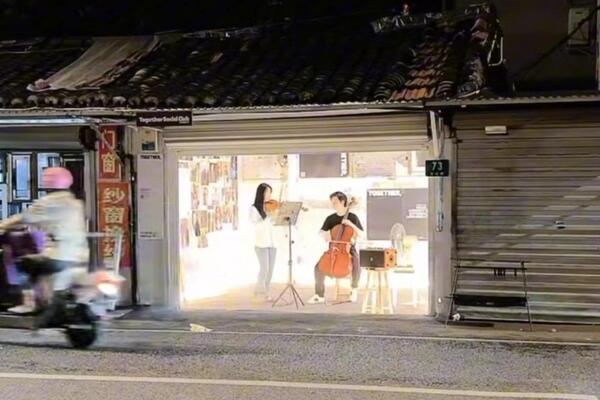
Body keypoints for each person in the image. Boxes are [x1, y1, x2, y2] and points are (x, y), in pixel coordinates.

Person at [0, 167, 89, 316]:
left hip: (59, 256)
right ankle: (49, 302)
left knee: (24, 264)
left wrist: (2, 225)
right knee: (41, 267)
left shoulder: (48, 202)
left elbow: (24, 218)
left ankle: (31, 303)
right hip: (79, 255)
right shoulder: (75, 202)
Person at [308, 191, 363, 304]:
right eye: (332, 203)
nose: (333, 205)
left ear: (343, 202)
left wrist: (350, 224)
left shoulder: (353, 217)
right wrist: (325, 234)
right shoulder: (330, 219)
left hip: (348, 248)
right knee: (317, 268)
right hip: (333, 249)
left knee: (357, 264)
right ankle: (319, 295)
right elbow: (320, 232)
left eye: (335, 202)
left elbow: (361, 234)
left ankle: (354, 289)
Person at [249, 183, 277, 301]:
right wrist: (267, 215)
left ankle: (265, 291)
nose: (269, 195)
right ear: (261, 193)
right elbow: (256, 223)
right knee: (264, 268)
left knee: (270, 270)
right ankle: (259, 290)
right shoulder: (254, 208)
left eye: (270, 192)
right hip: (261, 243)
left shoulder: (271, 207)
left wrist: (276, 216)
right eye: (267, 192)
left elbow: (274, 223)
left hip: (272, 242)